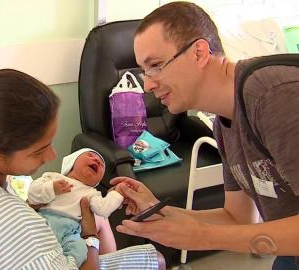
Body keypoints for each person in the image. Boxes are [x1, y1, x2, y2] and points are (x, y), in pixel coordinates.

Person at [0, 69, 165, 269]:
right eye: (38, 150)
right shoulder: (16, 225)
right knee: (156, 260)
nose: (53, 155)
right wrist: (90, 234)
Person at [109, 2, 299, 270]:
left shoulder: (274, 95)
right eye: (144, 71)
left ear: (199, 53)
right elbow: (238, 218)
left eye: (156, 65)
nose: (148, 84)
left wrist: (200, 236)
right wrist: (160, 210)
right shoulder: (225, 121)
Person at [27, 148, 124, 267]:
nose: (97, 161)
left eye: (102, 165)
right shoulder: (54, 177)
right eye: (90, 155)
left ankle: (68, 265)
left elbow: (103, 209)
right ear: (72, 162)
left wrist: (117, 194)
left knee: (80, 250)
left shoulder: (91, 193)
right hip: (45, 219)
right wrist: (52, 188)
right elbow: (33, 193)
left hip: (72, 230)